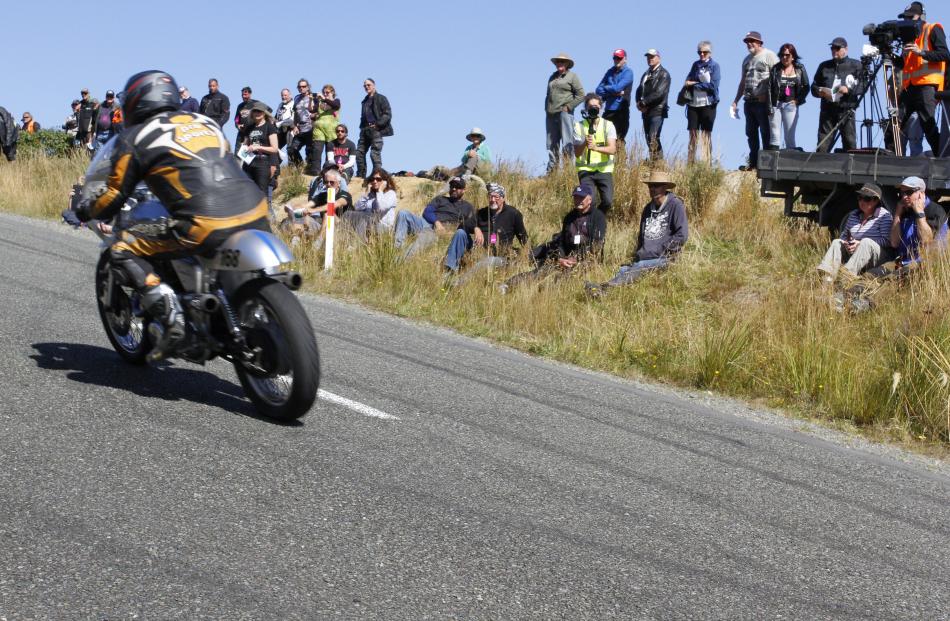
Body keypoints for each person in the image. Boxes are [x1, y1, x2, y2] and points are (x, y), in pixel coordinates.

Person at [74, 70, 270, 359]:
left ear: (137, 102)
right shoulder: (206, 122)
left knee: (120, 247)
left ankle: (171, 313)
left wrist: (86, 208)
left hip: (204, 223)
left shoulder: (136, 137)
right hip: (256, 210)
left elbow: (115, 192)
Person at [585, 171, 688, 298]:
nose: (653, 189)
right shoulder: (647, 209)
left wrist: (662, 250)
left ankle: (603, 288)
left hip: (664, 259)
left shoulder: (676, 205)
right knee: (623, 270)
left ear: (665, 187)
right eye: (651, 186)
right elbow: (642, 236)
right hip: (643, 258)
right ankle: (605, 292)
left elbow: (682, 235)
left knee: (638, 267)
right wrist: (639, 253)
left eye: (657, 186)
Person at [502, 183, 607, 292]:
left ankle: (545, 293)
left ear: (589, 200)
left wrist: (576, 258)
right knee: (541, 271)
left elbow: (597, 244)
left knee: (563, 279)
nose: (578, 200)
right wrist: (560, 258)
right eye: (576, 197)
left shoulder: (598, 217)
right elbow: (561, 242)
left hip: (586, 259)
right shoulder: (569, 217)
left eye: (582, 197)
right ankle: (508, 285)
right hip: (566, 258)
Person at [895, 1, 949, 155]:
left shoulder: (933, 29)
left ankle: (942, 164)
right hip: (908, 88)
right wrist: (890, 56)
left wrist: (921, 53)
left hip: (927, 86)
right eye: (905, 17)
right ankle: (889, 165)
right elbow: (903, 64)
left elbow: (945, 54)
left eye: (910, 16)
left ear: (921, 16)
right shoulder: (907, 38)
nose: (907, 20)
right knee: (894, 125)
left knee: (928, 126)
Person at [816, 183, 893, 283]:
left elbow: (887, 241)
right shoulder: (853, 215)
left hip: (879, 256)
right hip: (856, 253)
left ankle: (845, 277)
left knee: (866, 242)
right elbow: (844, 235)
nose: (862, 202)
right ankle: (827, 278)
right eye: (860, 198)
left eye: (866, 199)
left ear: (876, 201)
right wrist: (847, 243)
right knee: (837, 242)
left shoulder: (884, 216)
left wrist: (860, 243)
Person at [454, 182, 529, 284]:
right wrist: (476, 228)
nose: (493, 200)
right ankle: (449, 269)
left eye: (496, 197)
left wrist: (525, 257)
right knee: (460, 233)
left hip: (500, 256)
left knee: (488, 261)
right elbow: (462, 226)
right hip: (480, 251)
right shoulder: (482, 213)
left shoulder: (513, 214)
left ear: (503, 198)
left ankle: (459, 283)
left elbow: (523, 238)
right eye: (490, 197)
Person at [392, 176, 475, 262]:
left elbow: (470, 226)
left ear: (464, 190)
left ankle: (400, 260)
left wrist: (451, 232)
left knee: (425, 236)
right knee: (403, 213)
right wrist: (436, 222)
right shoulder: (440, 199)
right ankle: (398, 248)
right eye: (452, 186)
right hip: (426, 223)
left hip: (439, 231)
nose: (454, 189)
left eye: (457, 187)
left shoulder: (468, 207)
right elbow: (427, 212)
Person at [731, 31, 779, 170]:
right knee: (751, 133)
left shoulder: (769, 56)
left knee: (765, 132)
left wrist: (769, 96)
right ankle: (753, 163)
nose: (749, 44)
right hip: (749, 101)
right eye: (747, 41)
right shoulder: (746, 59)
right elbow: (743, 81)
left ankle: (766, 164)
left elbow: (776, 77)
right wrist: (736, 100)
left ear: (759, 42)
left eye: (752, 41)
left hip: (763, 102)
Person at [811, 37, 863, 153]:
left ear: (846, 49)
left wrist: (848, 89)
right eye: (832, 48)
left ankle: (851, 169)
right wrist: (820, 92)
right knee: (823, 143)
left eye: (837, 48)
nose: (834, 50)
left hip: (847, 109)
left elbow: (862, 86)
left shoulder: (856, 65)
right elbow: (813, 87)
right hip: (827, 110)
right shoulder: (824, 66)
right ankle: (820, 169)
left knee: (849, 142)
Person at [573, 93, 617, 213]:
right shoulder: (579, 126)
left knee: (607, 201)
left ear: (601, 108)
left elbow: (613, 149)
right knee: (589, 201)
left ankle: (598, 218)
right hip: (586, 170)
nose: (593, 109)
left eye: (596, 106)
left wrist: (596, 147)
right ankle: (589, 224)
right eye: (591, 106)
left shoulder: (608, 125)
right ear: (586, 109)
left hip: (604, 170)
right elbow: (577, 153)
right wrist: (584, 144)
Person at [545, 53, 585, 173]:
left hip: (564, 113)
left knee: (567, 142)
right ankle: (552, 171)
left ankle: (568, 171)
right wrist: (546, 109)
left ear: (567, 64)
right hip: (551, 114)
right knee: (551, 143)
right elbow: (548, 94)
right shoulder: (552, 77)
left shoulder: (572, 76)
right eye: (558, 61)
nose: (559, 64)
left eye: (562, 62)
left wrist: (569, 107)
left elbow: (581, 94)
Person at [684, 41, 721, 163]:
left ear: (709, 53)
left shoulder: (715, 66)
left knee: (706, 135)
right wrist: (695, 84)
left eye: (704, 52)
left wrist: (695, 84)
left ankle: (707, 163)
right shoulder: (695, 65)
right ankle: (690, 163)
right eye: (699, 52)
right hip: (693, 105)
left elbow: (713, 86)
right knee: (693, 135)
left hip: (708, 104)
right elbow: (687, 81)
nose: (702, 54)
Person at [768, 43, 810, 150]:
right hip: (776, 105)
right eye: (782, 55)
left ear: (793, 56)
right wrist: (769, 106)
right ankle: (773, 162)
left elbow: (806, 86)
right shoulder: (775, 69)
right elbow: (769, 88)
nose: (784, 57)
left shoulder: (800, 69)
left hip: (791, 105)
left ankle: (789, 163)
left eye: (787, 55)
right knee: (774, 135)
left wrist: (797, 101)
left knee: (789, 136)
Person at [343, 168, 399, 239]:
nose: (375, 181)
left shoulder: (390, 194)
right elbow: (357, 208)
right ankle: (341, 241)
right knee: (348, 214)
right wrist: (366, 194)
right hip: (367, 223)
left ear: (385, 181)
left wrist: (380, 191)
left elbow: (381, 207)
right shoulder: (370, 195)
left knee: (365, 217)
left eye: (378, 179)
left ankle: (358, 245)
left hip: (383, 226)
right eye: (372, 179)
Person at [636, 49, 671, 160]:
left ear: (658, 58)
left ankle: (658, 163)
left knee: (653, 136)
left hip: (658, 110)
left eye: (652, 57)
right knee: (648, 137)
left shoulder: (664, 74)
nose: (650, 59)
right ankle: (654, 161)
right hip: (646, 111)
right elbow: (639, 90)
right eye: (648, 57)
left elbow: (659, 93)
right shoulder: (646, 74)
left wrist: (643, 102)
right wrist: (639, 103)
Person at [356, 78, 393, 179]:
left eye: (368, 85)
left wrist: (378, 124)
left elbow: (387, 114)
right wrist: (361, 128)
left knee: (374, 153)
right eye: (365, 86)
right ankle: (360, 176)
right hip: (365, 130)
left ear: (374, 85)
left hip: (376, 130)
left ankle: (377, 175)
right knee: (359, 153)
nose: (366, 87)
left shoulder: (381, 98)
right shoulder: (364, 101)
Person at [596, 49, 634, 145]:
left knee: (619, 139)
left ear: (625, 59)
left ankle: (620, 160)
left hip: (621, 110)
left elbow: (617, 88)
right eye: (615, 58)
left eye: (619, 58)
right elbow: (598, 90)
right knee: (603, 138)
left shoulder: (628, 72)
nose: (616, 60)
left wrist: (607, 89)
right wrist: (612, 91)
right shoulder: (610, 71)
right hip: (608, 110)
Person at [241, 101, 279, 195]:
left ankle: (264, 209)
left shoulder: (269, 127)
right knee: (248, 192)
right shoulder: (249, 128)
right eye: (255, 111)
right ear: (252, 113)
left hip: (263, 163)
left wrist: (259, 147)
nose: (257, 113)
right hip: (249, 162)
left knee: (262, 192)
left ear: (264, 113)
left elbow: (274, 148)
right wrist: (245, 148)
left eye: (259, 111)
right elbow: (245, 144)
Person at [311, 84, 341, 170]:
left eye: (327, 92)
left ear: (332, 93)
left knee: (330, 152)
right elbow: (312, 110)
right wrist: (311, 100)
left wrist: (324, 99)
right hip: (319, 129)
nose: (325, 94)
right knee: (317, 150)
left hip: (332, 130)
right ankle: (315, 172)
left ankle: (328, 171)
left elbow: (336, 106)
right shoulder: (320, 102)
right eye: (324, 92)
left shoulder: (336, 100)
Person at [288, 78, 314, 170]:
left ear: (308, 87)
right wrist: (294, 126)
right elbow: (295, 113)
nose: (301, 88)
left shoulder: (313, 97)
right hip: (300, 128)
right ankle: (300, 166)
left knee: (309, 151)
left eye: (304, 86)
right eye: (299, 87)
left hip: (311, 128)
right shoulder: (296, 98)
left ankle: (309, 170)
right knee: (291, 149)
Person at [233, 86, 258, 153]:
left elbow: (267, 112)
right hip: (242, 132)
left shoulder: (256, 103)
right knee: (238, 153)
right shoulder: (240, 106)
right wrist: (237, 125)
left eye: (245, 94)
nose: (244, 96)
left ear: (250, 94)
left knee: (252, 152)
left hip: (253, 131)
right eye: (242, 95)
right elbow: (236, 119)